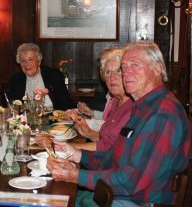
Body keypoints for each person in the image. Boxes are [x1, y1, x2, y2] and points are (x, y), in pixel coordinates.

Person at [47, 42, 192, 206]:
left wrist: (74, 175)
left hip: (138, 202)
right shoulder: (143, 107)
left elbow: (130, 181)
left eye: (135, 65)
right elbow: (115, 157)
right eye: (124, 67)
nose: (126, 73)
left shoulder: (162, 115)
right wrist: (78, 154)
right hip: (123, 194)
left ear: (158, 68)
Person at [66, 48, 132, 151]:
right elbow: (108, 140)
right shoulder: (115, 101)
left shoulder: (133, 105)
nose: (112, 77)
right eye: (108, 72)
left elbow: (115, 148)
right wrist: (89, 133)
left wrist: (73, 147)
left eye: (118, 71)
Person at [9, 43, 73, 111]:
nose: (27, 64)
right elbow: (13, 108)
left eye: (30, 59)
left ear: (39, 62)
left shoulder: (53, 75)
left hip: (54, 119)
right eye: (23, 61)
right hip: (27, 119)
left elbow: (66, 104)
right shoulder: (16, 80)